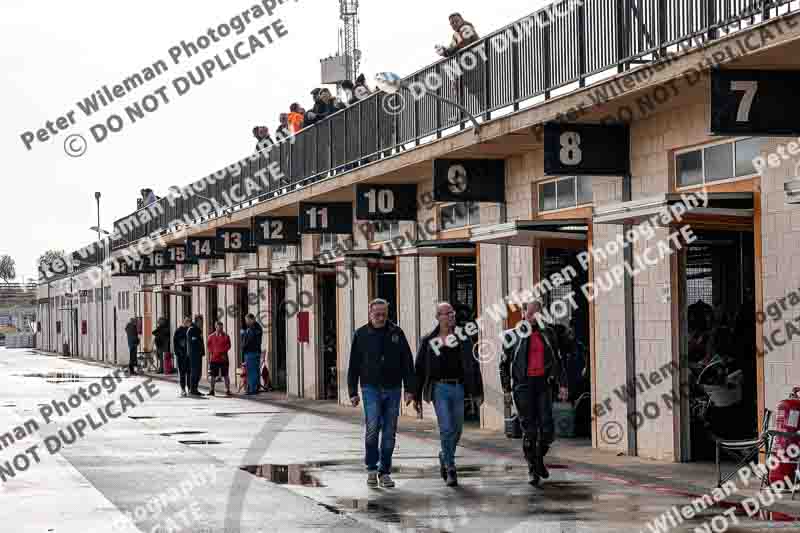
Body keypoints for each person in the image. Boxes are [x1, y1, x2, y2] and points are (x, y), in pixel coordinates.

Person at [347, 299, 416, 489]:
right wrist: (352, 391)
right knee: (372, 428)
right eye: (377, 314)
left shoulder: (396, 333)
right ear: (370, 314)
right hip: (370, 388)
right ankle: (371, 468)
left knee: (389, 432)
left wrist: (410, 389)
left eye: (384, 314)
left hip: (393, 388)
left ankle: (384, 471)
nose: (380, 318)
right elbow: (353, 364)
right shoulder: (361, 334)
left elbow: (407, 361)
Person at [414, 302, 484, 487]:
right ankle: (451, 467)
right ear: (438, 317)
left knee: (457, 429)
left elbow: (473, 366)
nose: (451, 316)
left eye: (452, 313)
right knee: (445, 428)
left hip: (458, 387)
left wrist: (477, 392)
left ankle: (444, 455)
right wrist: (414, 395)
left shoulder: (463, 338)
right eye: (447, 313)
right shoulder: (429, 340)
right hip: (439, 388)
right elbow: (419, 369)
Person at [499, 298, 561, 487]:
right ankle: (532, 469)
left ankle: (537, 460)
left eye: (538, 312)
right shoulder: (512, 335)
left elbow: (557, 360)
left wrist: (562, 383)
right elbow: (503, 365)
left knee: (548, 429)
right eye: (531, 312)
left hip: (543, 384)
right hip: (523, 386)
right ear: (523, 313)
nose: (534, 316)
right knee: (530, 430)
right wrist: (507, 389)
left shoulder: (548, 332)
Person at [207, 321, 232, 396]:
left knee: (226, 375)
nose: (220, 328)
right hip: (214, 359)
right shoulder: (211, 336)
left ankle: (228, 390)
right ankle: (212, 390)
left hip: (223, 358)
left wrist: (222, 352)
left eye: (221, 327)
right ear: (216, 327)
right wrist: (214, 352)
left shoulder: (226, 336)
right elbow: (208, 346)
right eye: (219, 327)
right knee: (213, 375)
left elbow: (228, 345)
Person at [241, 314, 263, 395]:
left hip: (252, 352)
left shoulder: (254, 328)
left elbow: (249, 340)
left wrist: (244, 334)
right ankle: (255, 387)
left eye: (247, 320)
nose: (246, 322)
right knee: (254, 371)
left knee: (252, 371)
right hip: (253, 352)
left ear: (251, 319)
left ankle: (252, 389)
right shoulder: (253, 328)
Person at [187, 315, 205, 396]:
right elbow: (193, 342)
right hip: (194, 354)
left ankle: (195, 389)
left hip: (198, 354)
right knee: (194, 372)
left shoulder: (198, 329)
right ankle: (192, 389)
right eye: (201, 322)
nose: (202, 323)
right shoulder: (192, 329)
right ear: (197, 321)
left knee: (198, 372)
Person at [173, 317, 191, 397]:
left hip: (189, 356)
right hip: (181, 356)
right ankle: (183, 389)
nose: (188, 323)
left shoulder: (191, 330)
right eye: (186, 321)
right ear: (183, 322)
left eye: (189, 322)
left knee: (189, 373)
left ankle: (190, 388)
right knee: (182, 373)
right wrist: (178, 353)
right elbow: (175, 343)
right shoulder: (178, 331)